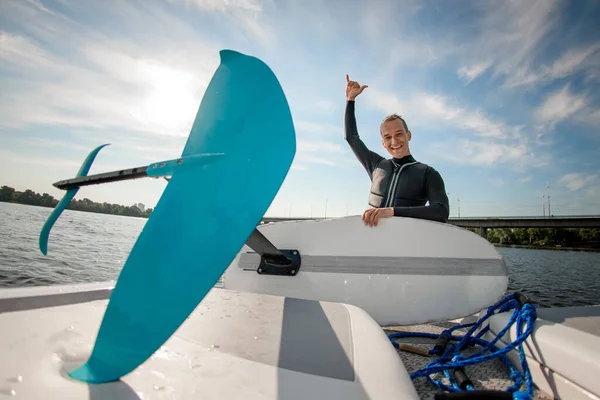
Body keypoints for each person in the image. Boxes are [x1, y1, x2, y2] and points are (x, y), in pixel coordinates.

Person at [344, 75, 449, 227]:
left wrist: (392, 211)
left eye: (399, 134)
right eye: (388, 137)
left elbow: (441, 212)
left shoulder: (428, 173)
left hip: (403, 245)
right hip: (369, 243)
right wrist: (350, 100)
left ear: (409, 135)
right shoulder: (376, 165)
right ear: (383, 143)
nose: (394, 141)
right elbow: (351, 137)